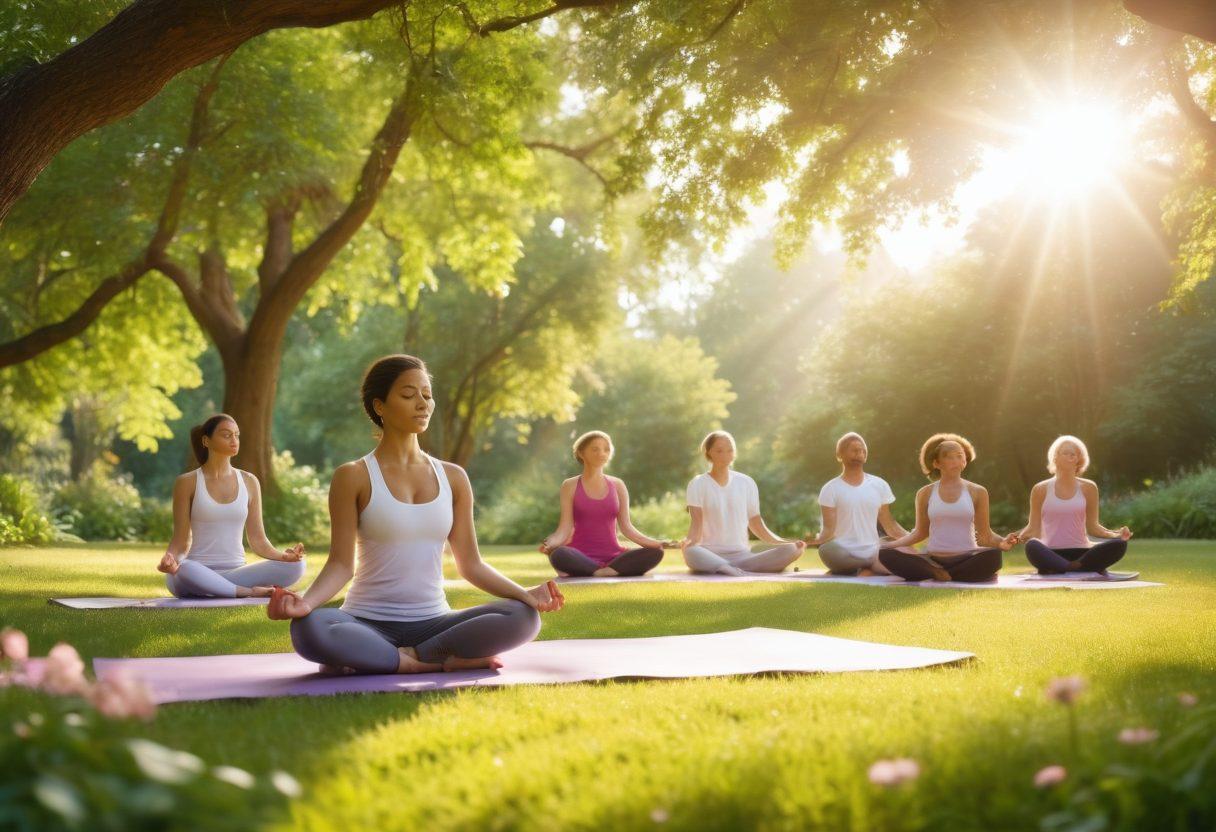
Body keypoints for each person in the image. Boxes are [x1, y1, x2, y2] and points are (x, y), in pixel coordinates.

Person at [268, 354, 564, 675]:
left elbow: (471, 564)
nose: (422, 403)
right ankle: (430, 660)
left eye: (427, 394)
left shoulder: (453, 477)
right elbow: (341, 564)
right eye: (409, 395)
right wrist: (306, 604)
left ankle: (397, 658)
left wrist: (525, 595)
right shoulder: (353, 476)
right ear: (379, 406)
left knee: (523, 617)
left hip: (435, 622)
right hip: (366, 620)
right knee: (309, 628)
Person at [156, 414, 306, 598]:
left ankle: (218, 588)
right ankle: (247, 592)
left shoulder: (250, 481)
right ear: (206, 440)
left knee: (298, 566)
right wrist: (171, 560)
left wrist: (285, 557)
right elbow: (181, 540)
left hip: (236, 574)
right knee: (185, 568)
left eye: (237, 435)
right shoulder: (187, 482)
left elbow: (258, 541)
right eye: (226, 435)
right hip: (194, 572)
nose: (234, 440)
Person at [878, 433, 1017, 582]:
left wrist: (1002, 542)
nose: (955, 461)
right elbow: (919, 533)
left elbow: (986, 536)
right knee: (884, 553)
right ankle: (937, 572)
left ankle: (942, 574)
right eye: (949, 457)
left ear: (965, 461)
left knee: (994, 556)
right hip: (934, 559)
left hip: (966, 557)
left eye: (959, 456)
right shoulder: (925, 493)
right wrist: (890, 545)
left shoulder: (978, 492)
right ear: (937, 463)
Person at [539, 431, 673, 577]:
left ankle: (599, 572)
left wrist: (657, 543)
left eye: (606, 449)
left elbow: (627, 528)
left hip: (614, 557)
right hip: (580, 556)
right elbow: (564, 528)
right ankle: (604, 571)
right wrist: (550, 543)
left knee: (655, 552)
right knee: (559, 554)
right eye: (595, 449)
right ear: (581, 453)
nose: (602, 453)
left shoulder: (618, 485)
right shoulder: (569, 485)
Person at [681, 430, 806, 575]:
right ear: (709, 453)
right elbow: (696, 525)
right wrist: (688, 543)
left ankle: (729, 568)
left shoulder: (746, 482)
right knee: (691, 552)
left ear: (734, 453)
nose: (725, 455)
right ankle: (725, 567)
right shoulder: (697, 484)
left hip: (743, 556)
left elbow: (756, 524)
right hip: (710, 554)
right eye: (719, 451)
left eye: (730, 450)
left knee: (792, 549)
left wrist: (784, 542)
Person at [1015, 435, 1132, 574]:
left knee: (1119, 545)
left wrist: (1117, 535)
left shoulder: (1089, 488)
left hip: (1081, 552)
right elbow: (1033, 528)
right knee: (1032, 546)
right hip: (1050, 552)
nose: (1070, 456)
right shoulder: (1040, 489)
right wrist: (1016, 538)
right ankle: (1075, 567)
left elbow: (1094, 528)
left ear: (1078, 460)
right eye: (1065, 453)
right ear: (1055, 458)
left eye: (1074, 454)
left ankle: (1068, 567)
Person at [806, 432, 908, 575]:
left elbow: (890, 525)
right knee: (826, 550)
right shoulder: (830, 489)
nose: (859, 454)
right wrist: (810, 541)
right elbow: (828, 531)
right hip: (843, 551)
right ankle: (871, 566)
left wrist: (912, 538)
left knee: (897, 546)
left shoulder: (879, 485)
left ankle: (865, 567)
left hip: (873, 550)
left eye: (863, 452)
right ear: (839, 455)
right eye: (854, 451)